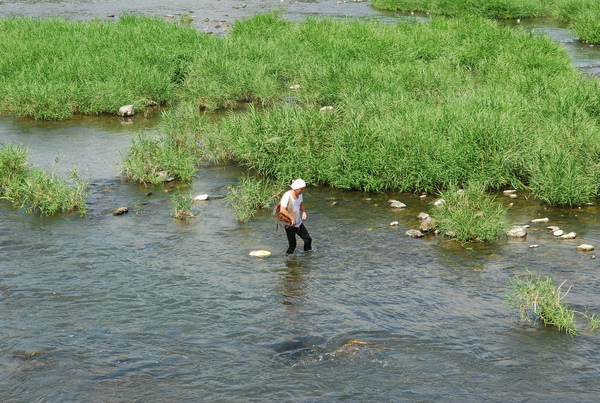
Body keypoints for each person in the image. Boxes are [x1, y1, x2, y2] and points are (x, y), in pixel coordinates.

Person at [279, 178, 312, 255]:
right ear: (295, 188)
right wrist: (291, 218)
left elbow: (300, 204)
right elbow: (282, 210)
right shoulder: (287, 196)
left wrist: (304, 212)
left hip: (298, 222)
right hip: (289, 224)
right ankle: (289, 262)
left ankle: (307, 257)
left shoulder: (300, 194)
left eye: (303, 189)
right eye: (301, 189)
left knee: (308, 239)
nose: (302, 191)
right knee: (292, 246)